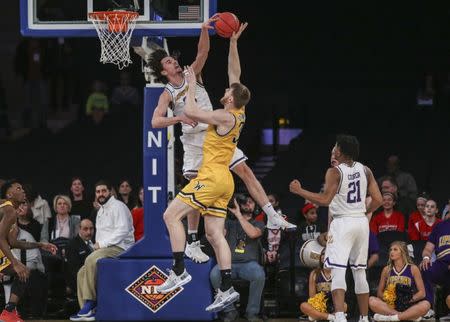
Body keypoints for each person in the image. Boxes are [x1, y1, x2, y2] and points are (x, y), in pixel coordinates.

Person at [149, 17, 295, 263]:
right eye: (168, 61)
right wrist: (179, 119)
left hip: (216, 133)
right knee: (196, 189)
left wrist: (204, 30)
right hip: (194, 142)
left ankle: (271, 214)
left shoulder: (192, 73)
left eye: (172, 58)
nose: (173, 61)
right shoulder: (167, 94)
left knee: (246, 171)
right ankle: (193, 241)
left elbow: (203, 50)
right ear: (164, 71)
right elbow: (155, 122)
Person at [154, 24, 250, 313]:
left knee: (170, 214)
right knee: (215, 234)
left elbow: (194, 111)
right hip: (221, 176)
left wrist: (192, 86)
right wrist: (232, 42)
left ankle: (179, 269)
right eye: (168, 61)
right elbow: (235, 74)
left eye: (172, 59)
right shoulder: (238, 110)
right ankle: (226, 286)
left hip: (211, 173)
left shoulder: (222, 114)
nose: (225, 89)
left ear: (230, 98)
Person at [289, 135, 383, 322]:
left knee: (337, 271)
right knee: (359, 271)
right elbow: (379, 200)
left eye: (334, 148)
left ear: (339, 151)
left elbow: (324, 200)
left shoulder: (334, 172)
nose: (332, 150)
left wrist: (300, 191)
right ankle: (364, 318)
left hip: (342, 223)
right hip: (361, 223)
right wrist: (364, 213)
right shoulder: (366, 170)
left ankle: (340, 317)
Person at [70, 180, 134, 321]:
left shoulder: (118, 206)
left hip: (122, 248)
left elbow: (122, 231)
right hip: (107, 248)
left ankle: (91, 302)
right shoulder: (100, 211)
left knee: (90, 259)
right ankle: (86, 312)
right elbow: (100, 236)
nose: (101, 194)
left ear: (110, 191)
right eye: (98, 191)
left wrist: (101, 245)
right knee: (82, 272)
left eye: (104, 191)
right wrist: (97, 247)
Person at [0, 180, 57, 322]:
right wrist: (15, 262)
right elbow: (0, 239)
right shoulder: (9, 210)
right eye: (18, 188)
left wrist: (40, 245)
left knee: (23, 271)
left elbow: (13, 242)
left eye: (23, 188)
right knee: (21, 269)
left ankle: (9, 311)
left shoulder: (12, 213)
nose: (23, 191)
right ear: (9, 194)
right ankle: (9, 312)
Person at [210, 198, 266, 322]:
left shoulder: (258, 223)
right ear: (239, 205)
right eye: (244, 202)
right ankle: (230, 311)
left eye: (250, 202)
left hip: (248, 264)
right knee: (215, 274)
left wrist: (238, 215)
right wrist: (222, 210)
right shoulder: (229, 223)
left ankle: (252, 313)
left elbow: (253, 234)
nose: (247, 204)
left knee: (258, 274)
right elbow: (217, 234)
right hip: (228, 264)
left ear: (255, 207)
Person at [369, 241, 429, 321]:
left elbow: (422, 293)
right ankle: (408, 317)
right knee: (371, 300)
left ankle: (391, 318)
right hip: (390, 306)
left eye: (395, 249)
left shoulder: (413, 268)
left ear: (402, 252)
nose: (391, 252)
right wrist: (389, 299)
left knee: (426, 304)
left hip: (409, 305)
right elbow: (379, 292)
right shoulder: (386, 270)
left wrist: (409, 300)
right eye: (390, 250)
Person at [300, 248, 346, 322]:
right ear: (320, 257)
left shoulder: (338, 272)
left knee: (344, 305)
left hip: (334, 305)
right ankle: (331, 317)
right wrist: (319, 306)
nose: (324, 256)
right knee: (303, 306)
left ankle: (317, 316)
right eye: (323, 254)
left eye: (328, 254)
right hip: (319, 306)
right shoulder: (315, 273)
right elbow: (312, 297)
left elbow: (341, 295)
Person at [419, 217, 450, 319]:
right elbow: (428, 248)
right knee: (425, 268)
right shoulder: (440, 226)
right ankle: (428, 308)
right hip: (441, 264)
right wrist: (426, 257)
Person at [66, 219, 95, 296]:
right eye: (85, 229)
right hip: (82, 283)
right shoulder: (72, 245)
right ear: (79, 229)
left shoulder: (97, 241)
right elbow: (75, 270)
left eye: (91, 229)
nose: (89, 232)